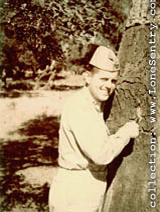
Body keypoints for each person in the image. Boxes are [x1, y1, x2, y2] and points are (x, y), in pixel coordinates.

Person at [48, 45, 139, 212]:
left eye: (113, 81)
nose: (108, 86)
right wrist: (126, 133)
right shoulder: (80, 107)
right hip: (77, 190)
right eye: (103, 79)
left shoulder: (94, 106)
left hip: (85, 187)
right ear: (88, 77)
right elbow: (101, 154)